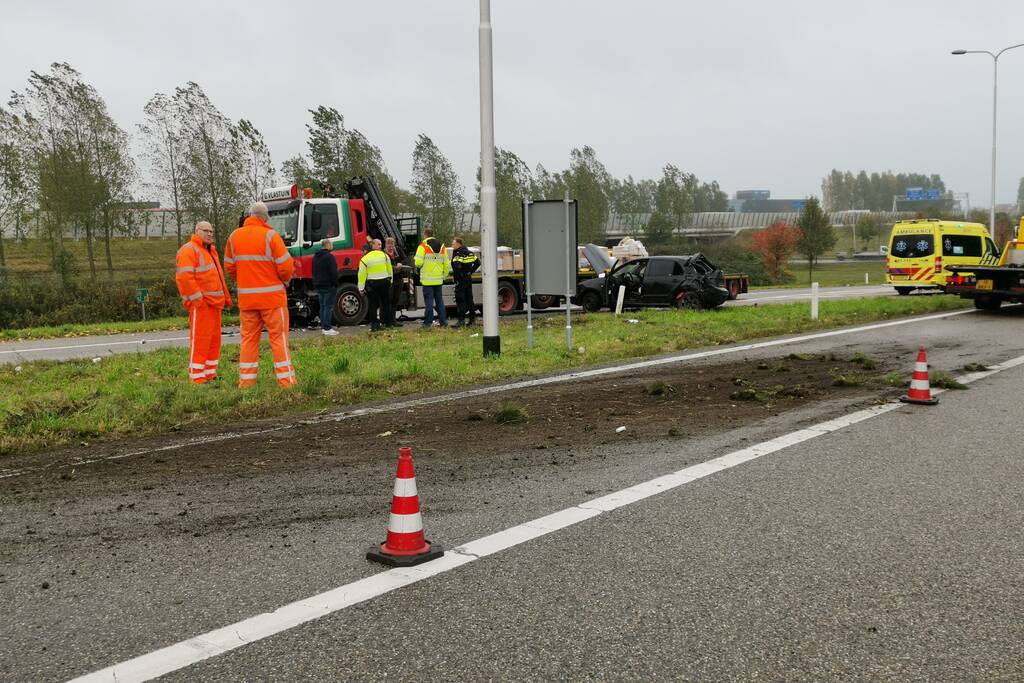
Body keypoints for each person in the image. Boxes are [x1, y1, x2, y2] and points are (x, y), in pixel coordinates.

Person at [224, 202, 297, 388]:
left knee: (248, 340)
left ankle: (246, 383)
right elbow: (286, 266)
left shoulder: (234, 237)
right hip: (272, 298)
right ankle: (286, 381)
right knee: (278, 339)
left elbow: (230, 267)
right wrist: (285, 280)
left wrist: (245, 281)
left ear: (249, 216)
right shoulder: (271, 236)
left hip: (247, 300)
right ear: (265, 218)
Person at [175, 221, 231, 384]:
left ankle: (209, 373)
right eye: (206, 231)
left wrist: (225, 298)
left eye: (211, 232)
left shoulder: (209, 251)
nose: (209, 234)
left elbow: (218, 278)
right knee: (200, 339)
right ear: (196, 231)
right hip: (202, 304)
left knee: (213, 340)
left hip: (214, 303)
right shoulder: (189, 250)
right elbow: (184, 278)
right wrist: (197, 300)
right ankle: (197, 375)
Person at [414, 227, 450, 328]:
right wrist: (444, 276)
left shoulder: (423, 246)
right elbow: (447, 264)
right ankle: (443, 322)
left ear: (425, 235)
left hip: (427, 280)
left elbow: (418, 263)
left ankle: (428, 323)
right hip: (438, 280)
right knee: (440, 301)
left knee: (429, 302)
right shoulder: (442, 246)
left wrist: (418, 263)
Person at [358, 238, 394, 331]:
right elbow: (389, 269)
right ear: (374, 245)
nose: (380, 246)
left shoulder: (364, 259)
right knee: (386, 303)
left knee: (373, 305)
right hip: (384, 282)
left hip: (372, 284)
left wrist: (361, 288)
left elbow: (361, 275)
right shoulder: (385, 256)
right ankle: (388, 323)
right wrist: (390, 280)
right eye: (379, 244)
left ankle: (374, 325)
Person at [450, 237, 480, 327]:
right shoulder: (469, 252)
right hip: (468, 278)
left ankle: (461, 320)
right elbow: (478, 262)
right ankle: (472, 320)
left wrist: (458, 276)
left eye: (453, 244)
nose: (452, 245)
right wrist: (470, 271)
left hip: (461, 279)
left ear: (458, 244)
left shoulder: (458, 253)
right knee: (470, 300)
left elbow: (457, 266)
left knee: (460, 300)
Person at [312, 238, 339, 336]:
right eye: (331, 244)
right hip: (329, 285)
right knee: (328, 306)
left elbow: (314, 271)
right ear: (327, 245)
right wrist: (336, 283)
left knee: (323, 306)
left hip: (318, 285)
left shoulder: (315, 257)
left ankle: (324, 327)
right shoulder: (329, 257)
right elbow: (333, 272)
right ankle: (327, 328)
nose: (332, 246)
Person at [384, 236, 406, 326]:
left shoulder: (398, 251)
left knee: (395, 300)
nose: (390, 246)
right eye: (388, 244)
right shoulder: (383, 253)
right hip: (389, 280)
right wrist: (393, 268)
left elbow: (405, 259)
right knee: (388, 300)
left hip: (399, 279)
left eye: (392, 244)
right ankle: (387, 321)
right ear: (385, 245)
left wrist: (401, 263)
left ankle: (393, 320)